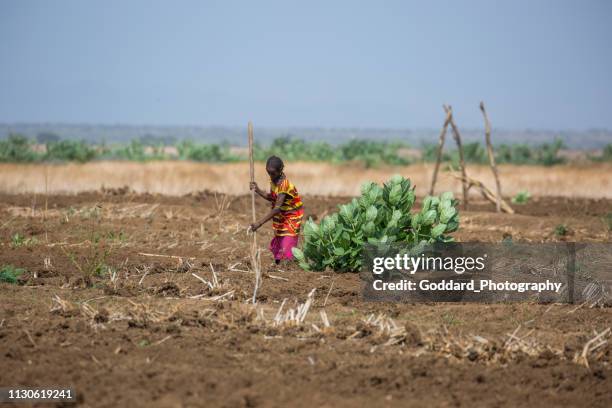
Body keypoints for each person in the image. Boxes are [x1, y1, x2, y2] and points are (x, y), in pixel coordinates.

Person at [249, 156, 304, 264]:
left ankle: (290, 267)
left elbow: (277, 209)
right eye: (268, 172)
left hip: (291, 217)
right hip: (281, 218)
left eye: (272, 173)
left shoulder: (284, 185)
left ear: (280, 171)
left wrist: (259, 223)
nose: (270, 175)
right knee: (279, 245)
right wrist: (258, 190)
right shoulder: (273, 181)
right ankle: (280, 265)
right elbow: (272, 198)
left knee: (287, 245)